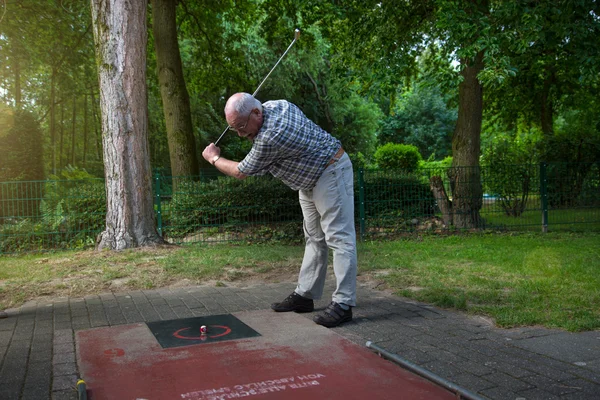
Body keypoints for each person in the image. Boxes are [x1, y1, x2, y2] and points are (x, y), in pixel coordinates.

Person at [202, 93, 357, 328]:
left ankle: (344, 304)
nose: (242, 134)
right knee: (314, 238)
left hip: (330, 171)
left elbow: (241, 171)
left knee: (339, 238)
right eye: (235, 129)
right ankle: (305, 296)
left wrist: (214, 158)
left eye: (242, 126)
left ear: (256, 113)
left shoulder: (271, 137)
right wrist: (241, 125)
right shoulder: (276, 105)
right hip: (308, 179)